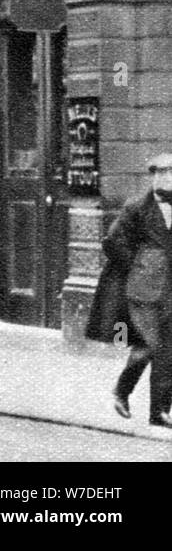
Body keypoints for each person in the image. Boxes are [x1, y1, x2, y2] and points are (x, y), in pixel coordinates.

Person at [88, 153, 172, 427]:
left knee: (168, 350)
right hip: (143, 290)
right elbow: (112, 242)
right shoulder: (136, 207)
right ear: (152, 177)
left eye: (170, 172)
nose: (165, 177)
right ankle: (121, 391)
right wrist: (137, 266)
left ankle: (159, 411)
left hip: (170, 289)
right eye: (159, 173)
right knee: (149, 345)